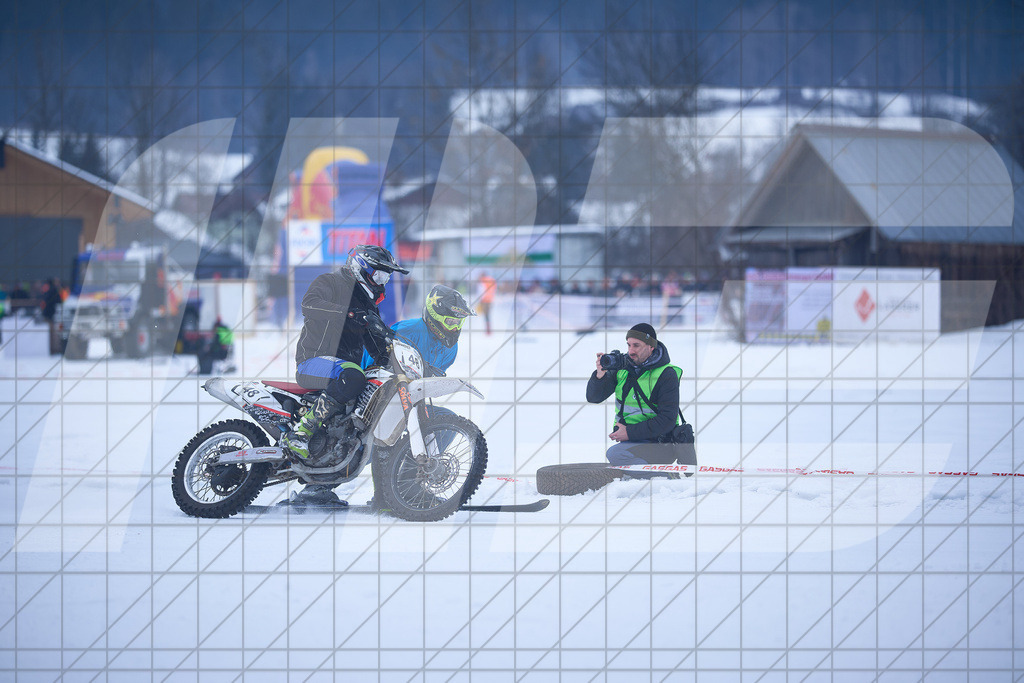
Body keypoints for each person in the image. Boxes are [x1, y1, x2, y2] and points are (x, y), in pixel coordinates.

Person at [281, 244, 409, 465]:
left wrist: (397, 361)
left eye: (385, 279)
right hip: (313, 360)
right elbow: (309, 305)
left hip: (344, 369)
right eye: (379, 275)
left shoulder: (367, 305)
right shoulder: (330, 282)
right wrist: (348, 313)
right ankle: (302, 431)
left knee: (373, 383)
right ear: (363, 268)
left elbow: (376, 345)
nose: (381, 283)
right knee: (354, 376)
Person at [586, 323, 683, 469]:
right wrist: (600, 375)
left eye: (636, 345)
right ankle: (641, 476)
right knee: (617, 456)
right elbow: (594, 397)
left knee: (615, 455)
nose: (631, 351)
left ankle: (662, 476)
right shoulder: (624, 369)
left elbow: (667, 420)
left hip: (661, 443)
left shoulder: (666, 374)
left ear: (651, 347)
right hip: (634, 442)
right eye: (629, 345)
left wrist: (629, 433)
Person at [361, 284, 474, 376]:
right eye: (449, 322)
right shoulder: (404, 331)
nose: (455, 328)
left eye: (458, 323)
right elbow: (373, 369)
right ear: (435, 317)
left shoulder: (451, 349)